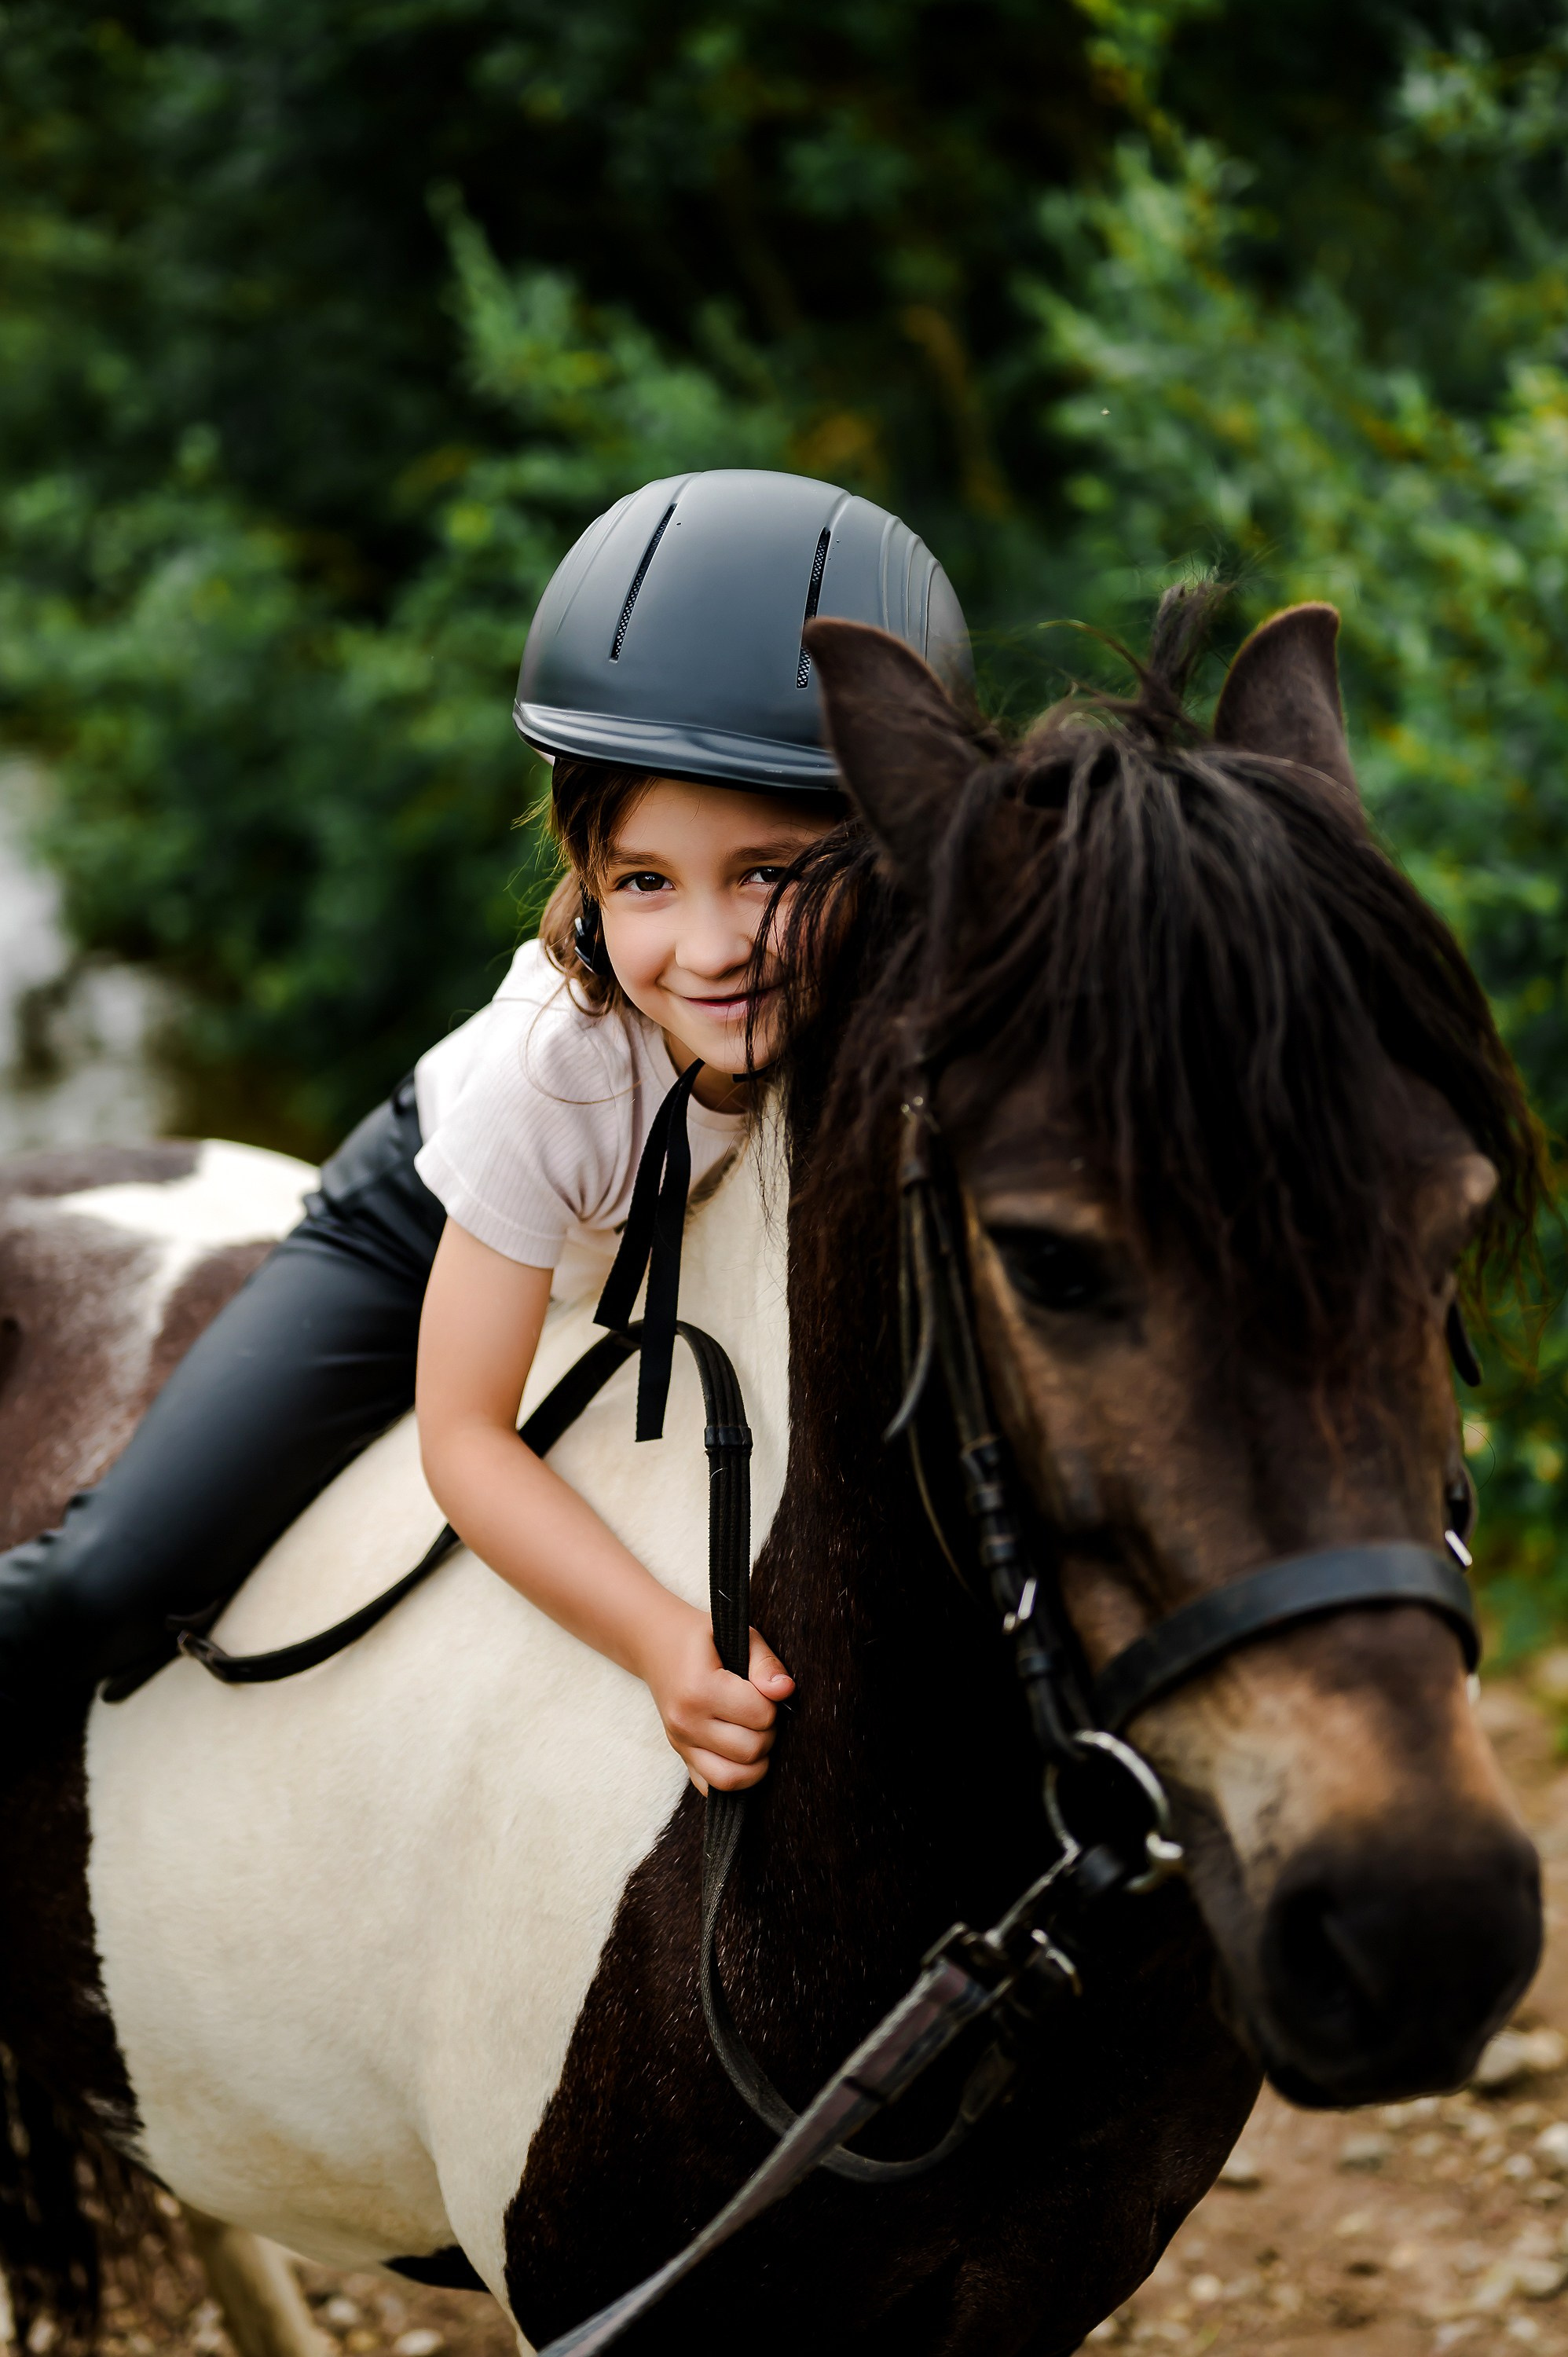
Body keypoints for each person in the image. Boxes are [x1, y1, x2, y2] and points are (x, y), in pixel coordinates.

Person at [0, 467, 971, 1787]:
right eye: (643, 881)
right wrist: (664, 1645)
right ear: (584, 877)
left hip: (639, 1224)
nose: (708, 949)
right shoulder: (555, 1076)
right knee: (106, 1583)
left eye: (770, 874)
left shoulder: (917, 994)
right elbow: (465, 1439)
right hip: (420, 1220)